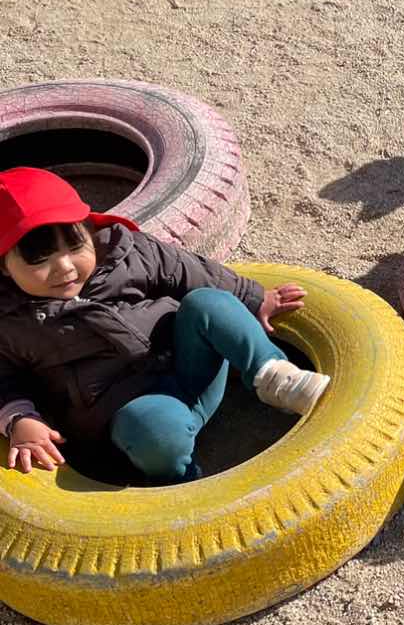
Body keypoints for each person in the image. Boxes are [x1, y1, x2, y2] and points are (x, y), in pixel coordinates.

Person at [0, 167, 327, 483]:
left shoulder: (125, 252)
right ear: (3, 266)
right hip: (130, 412)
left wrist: (253, 298)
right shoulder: (9, 323)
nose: (64, 267)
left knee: (208, 303)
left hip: (190, 365)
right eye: (39, 259)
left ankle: (272, 376)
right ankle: (183, 479)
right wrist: (19, 419)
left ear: (88, 230)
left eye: (74, 246)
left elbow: (191, 271)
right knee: (153, 433)